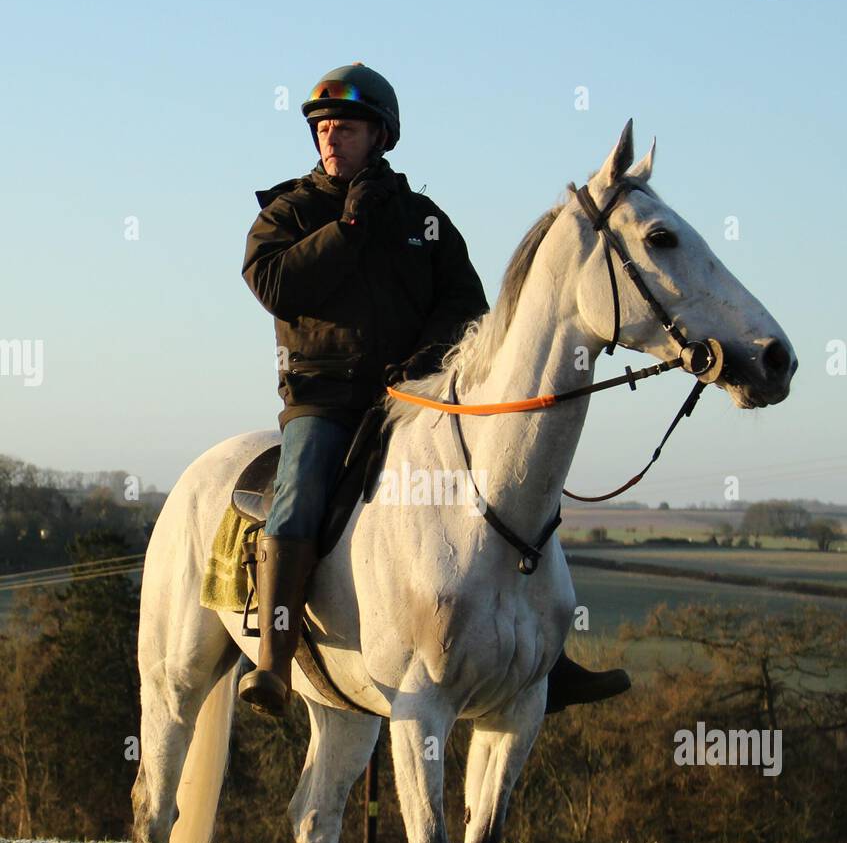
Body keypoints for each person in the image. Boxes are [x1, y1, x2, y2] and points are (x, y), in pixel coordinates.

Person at [238, 62, 629, 716]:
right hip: (326, 400)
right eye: (325, 128)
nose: (332, 139)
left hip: (415, 399)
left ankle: (542, 659)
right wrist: (349, 229)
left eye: (348, 128)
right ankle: (274, 661)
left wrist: (424, 360)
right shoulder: (290, 212)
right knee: (301, 494)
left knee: (507, 492)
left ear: (381, 137)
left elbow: (468, 308)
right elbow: (276, 286)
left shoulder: (424, 221)